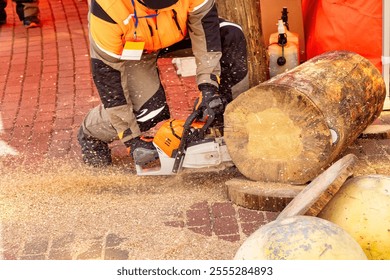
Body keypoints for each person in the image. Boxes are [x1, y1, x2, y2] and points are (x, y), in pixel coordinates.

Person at [78, 0, 249, 167]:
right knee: (149, 112)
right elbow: (108, 77)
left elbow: (206, 34)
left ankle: (232, 124)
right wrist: (131, 140)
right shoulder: (107, 8)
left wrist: (209, 89)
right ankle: (91, 132)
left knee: (230, 34)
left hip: (180, 33)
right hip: (134, 49)